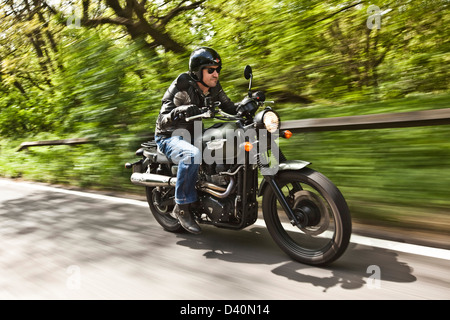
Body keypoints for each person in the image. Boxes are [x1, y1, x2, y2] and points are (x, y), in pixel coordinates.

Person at [155, 47, 238, 234]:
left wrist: (250, 103)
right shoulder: (182, 84)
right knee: (192, 154)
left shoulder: (214, 87)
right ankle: (182, 207)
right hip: (169, 136)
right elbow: (163, 119)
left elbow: (230, 108)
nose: (216, 74)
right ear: (197, 71)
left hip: (194, 134)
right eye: (211, 70)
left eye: (217, 70)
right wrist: (179, 111)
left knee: (232, 139)